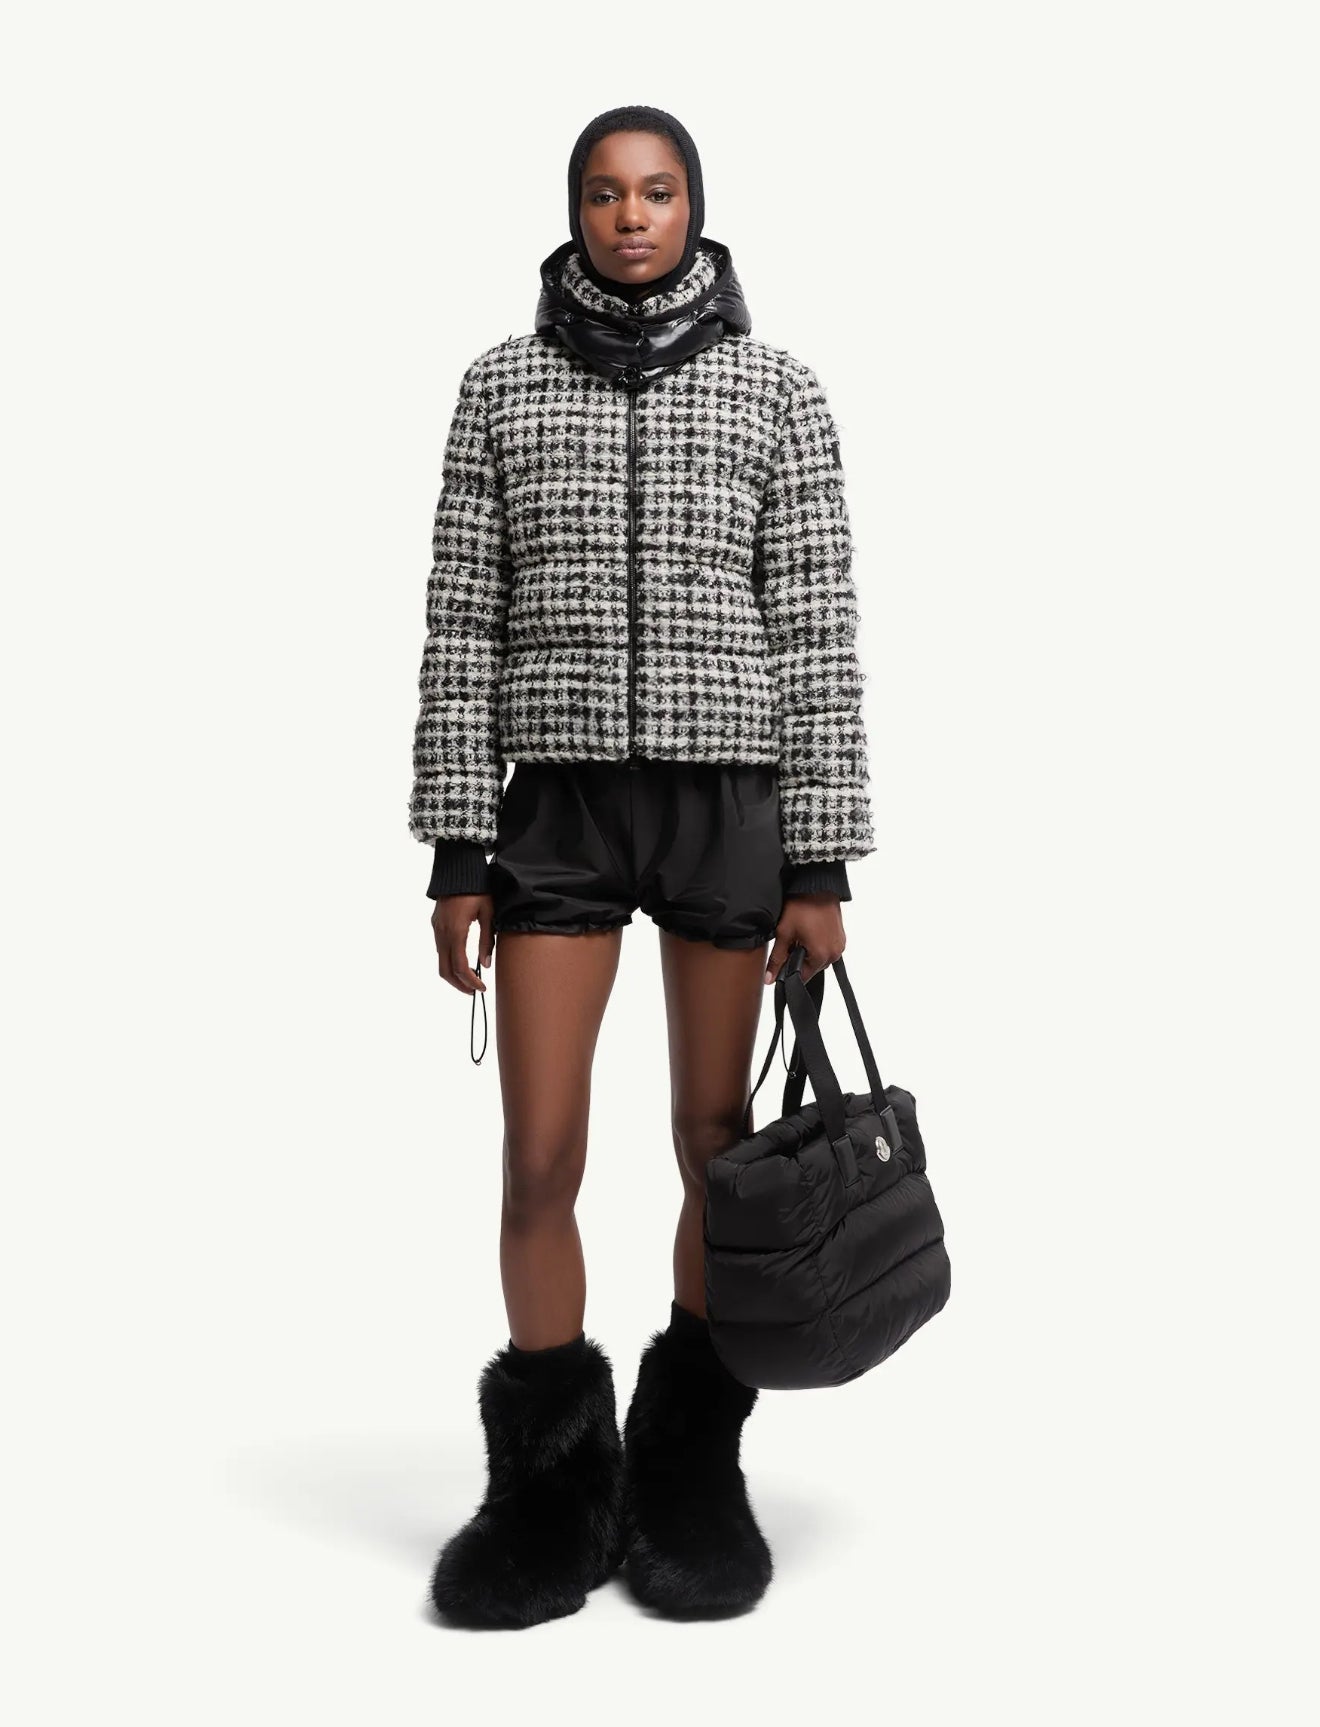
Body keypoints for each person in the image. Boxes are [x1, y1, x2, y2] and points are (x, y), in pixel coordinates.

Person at [409, 105, 875, 1628]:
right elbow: (461, 622)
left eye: (657, 192)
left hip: (728, 807)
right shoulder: (500, 387)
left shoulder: (775, 391)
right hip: (557, 811)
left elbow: (817, 627)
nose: (631, 217)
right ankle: (547, 1486)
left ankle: (686, 1467)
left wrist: (821, 862)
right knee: (539, 1156)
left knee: (712, 1148)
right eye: (606, 194)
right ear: (574, 211)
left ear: (695, 209)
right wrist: (458, 848)